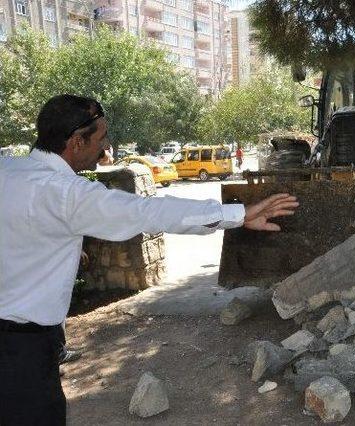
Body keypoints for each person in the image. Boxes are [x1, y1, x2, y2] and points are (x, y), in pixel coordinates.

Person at [0, 94, 299, 425]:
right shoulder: (65, 194)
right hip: (21, 348)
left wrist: (56, 248)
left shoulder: (9, 169)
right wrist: (240, 214)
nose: (107, 146)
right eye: (101, 138)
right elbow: (148, 211)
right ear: (76, 141)